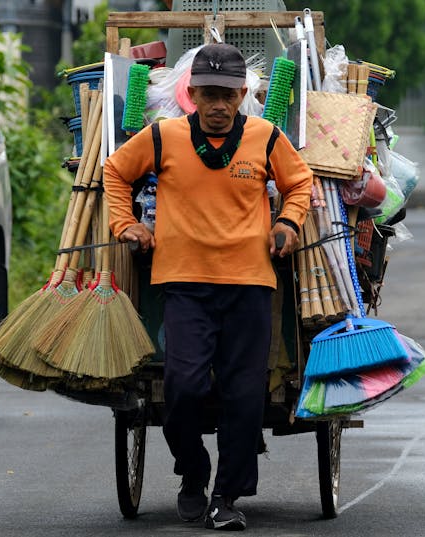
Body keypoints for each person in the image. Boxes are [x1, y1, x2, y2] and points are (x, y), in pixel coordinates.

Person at [103, 42, 313, 531]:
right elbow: (114, 172)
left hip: (249, 286)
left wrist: (288, 221)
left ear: (243, 94)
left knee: (245, 396)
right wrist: (125, 224)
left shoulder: (264, 137)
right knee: (182, 387)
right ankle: (193, 472)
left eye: (228, 95)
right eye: (209, 95)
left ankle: (227, 497)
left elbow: (299, 182)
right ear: (191, 93)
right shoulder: (162, 137)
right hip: (184, 284)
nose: (218, 105)